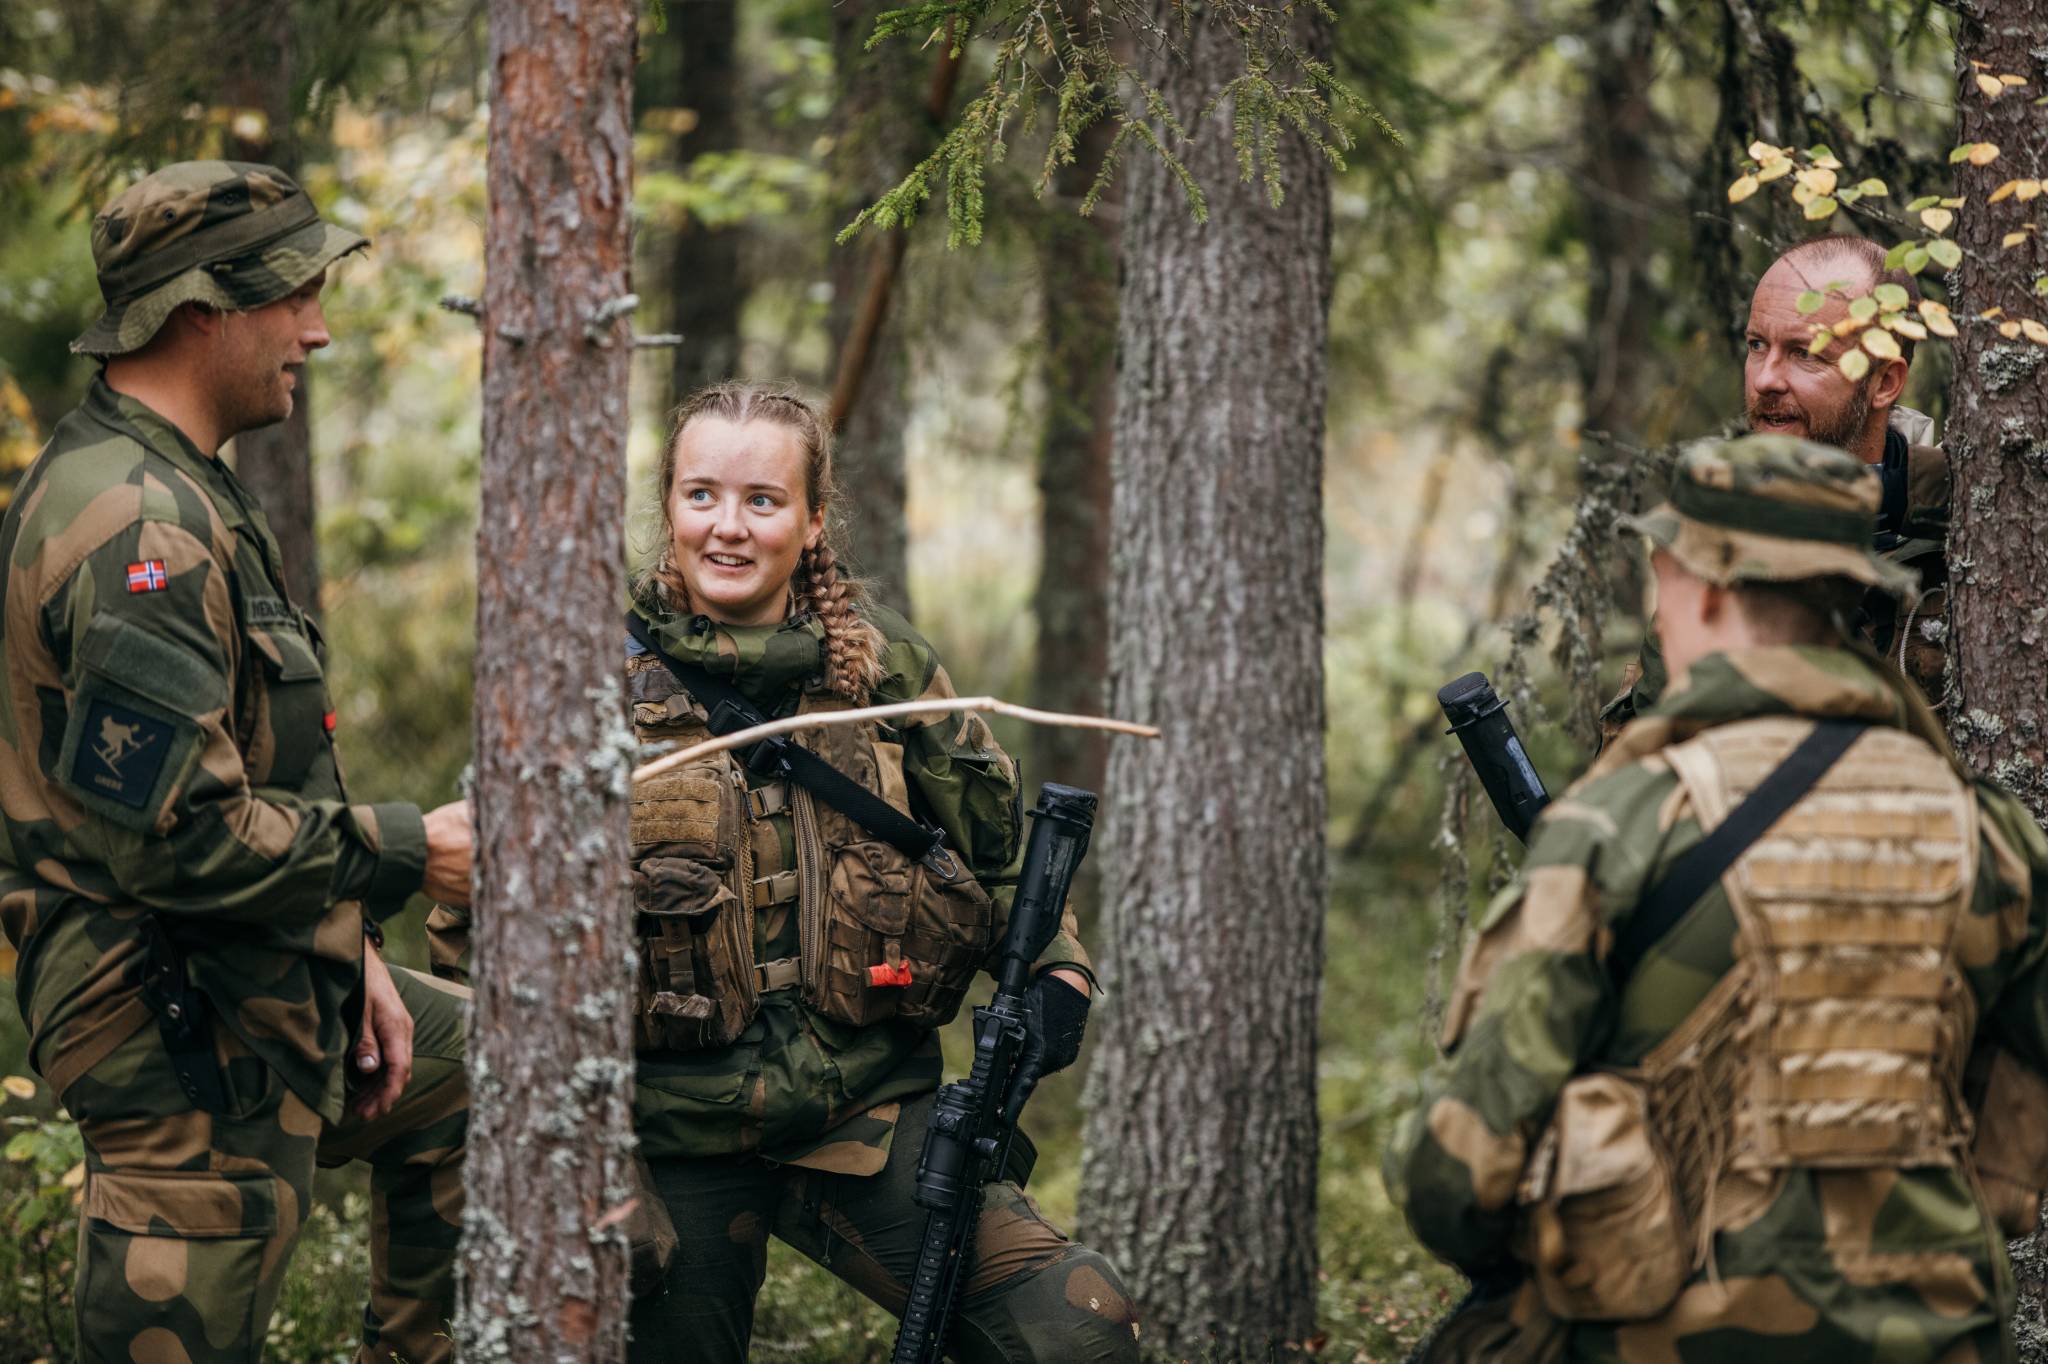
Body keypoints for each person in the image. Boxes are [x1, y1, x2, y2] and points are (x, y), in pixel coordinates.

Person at [1384, 435, 2048, 1361]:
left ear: (1697, 588)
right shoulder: (1992, 838)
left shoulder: (1623, 825)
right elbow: (2012, 1172)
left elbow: (1453, 1178)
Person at [0, 160, 476, 1364]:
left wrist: (350, 942)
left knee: (496, 1072)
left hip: (243, 973)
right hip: (173, 1022)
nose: (315, 329)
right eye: (290, 298)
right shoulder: (142, 529)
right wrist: (410, 849)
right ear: (199, 310)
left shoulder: (173, 483)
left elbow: (239, 775)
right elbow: (183, 838)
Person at [617, 380, 1139, 1362]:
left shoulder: (885, 666)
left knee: (1077, 1331)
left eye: (762, 501)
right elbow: (492, 918)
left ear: (813, 520)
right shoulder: (588, 681)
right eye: (701, 495)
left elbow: (997, 854)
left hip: (863, 1117)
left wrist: (1059, 968)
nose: (728, 527)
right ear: (668, 505)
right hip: (664, 1138)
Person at [1601, 235, 1950, 737]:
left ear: (1884, 383)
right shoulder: (1718, 541)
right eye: (1757, 345)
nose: (1764, 379)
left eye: (1804, 353)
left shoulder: (1965, 539)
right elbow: (1642, 764)